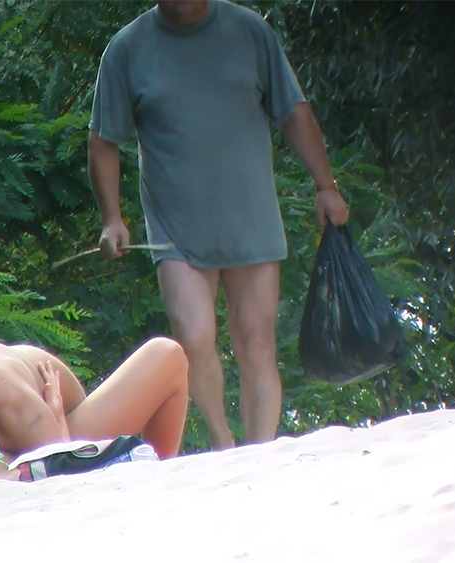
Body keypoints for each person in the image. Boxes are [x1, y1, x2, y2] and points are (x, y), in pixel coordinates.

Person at [87, 0, 350, 449]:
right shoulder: (127, 49)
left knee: (257, 345)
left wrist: (326, 185)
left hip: (252, 219)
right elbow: (102, 141)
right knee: (193, 337)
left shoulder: (249, 31)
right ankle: (222, 443)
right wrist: (112, 218)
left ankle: (259, 452)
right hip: (176, 230)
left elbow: (294, 112)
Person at [0, 336, 189, 476]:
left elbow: (65, 468)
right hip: (17, 426)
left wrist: (58, 425)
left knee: (168, 354)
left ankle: (161, 480)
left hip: (62, 423)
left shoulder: (12, 404)